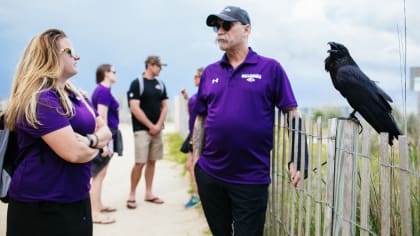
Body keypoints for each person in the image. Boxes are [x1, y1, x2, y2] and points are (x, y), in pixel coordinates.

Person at [192, 6, 305, 236]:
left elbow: (291, 113)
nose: (219, 32)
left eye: (226, 25)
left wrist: (299, 157)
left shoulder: (270, 68)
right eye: (216, 27)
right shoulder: (210, 72)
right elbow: (201, 119)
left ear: (246, 29)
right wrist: (196, 161)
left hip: (250, 179)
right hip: (211, 175)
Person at [4, 28, 112, 236]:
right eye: (69, 51)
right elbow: (74, 153)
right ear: (49, 56)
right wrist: (95, 146)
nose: (77, 56)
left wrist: (89, 140)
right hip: (42, 205)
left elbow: (106, 130)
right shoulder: (41, 99)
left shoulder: (77, 94)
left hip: (77, 196)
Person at [126, 55, 168, 209]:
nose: (160, 69)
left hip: (157, 130)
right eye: (158, 66)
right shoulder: (137, 83)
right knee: (140, 162)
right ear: (150, 65)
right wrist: (150, 125)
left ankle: (148, 193)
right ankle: (132, 194)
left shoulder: (160, 84)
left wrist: (158, 125)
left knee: (152, 161)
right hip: (142, 130)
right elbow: (134, 108)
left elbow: (165, 105)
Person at [89, 64, 121, 224]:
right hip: (106, 135)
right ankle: (94, 213)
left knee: (101, 174)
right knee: (98, 175)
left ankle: (98, 205)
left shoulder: (104, 90)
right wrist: (105, 144)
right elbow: (102, 117)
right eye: (113, 71)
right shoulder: (103, 91)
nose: (116, 74)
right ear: (106, 73)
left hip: (109, 134)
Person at [180, 67, 203, 208]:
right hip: (193, 134)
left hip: (198, 136)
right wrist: (186, 97)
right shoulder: (196, 97)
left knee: (192, 165)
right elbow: (191, 113)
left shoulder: (202, 96)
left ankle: (198, 195)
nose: (194, 79)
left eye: (197, 76)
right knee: (191, 165)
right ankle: (198, 194)